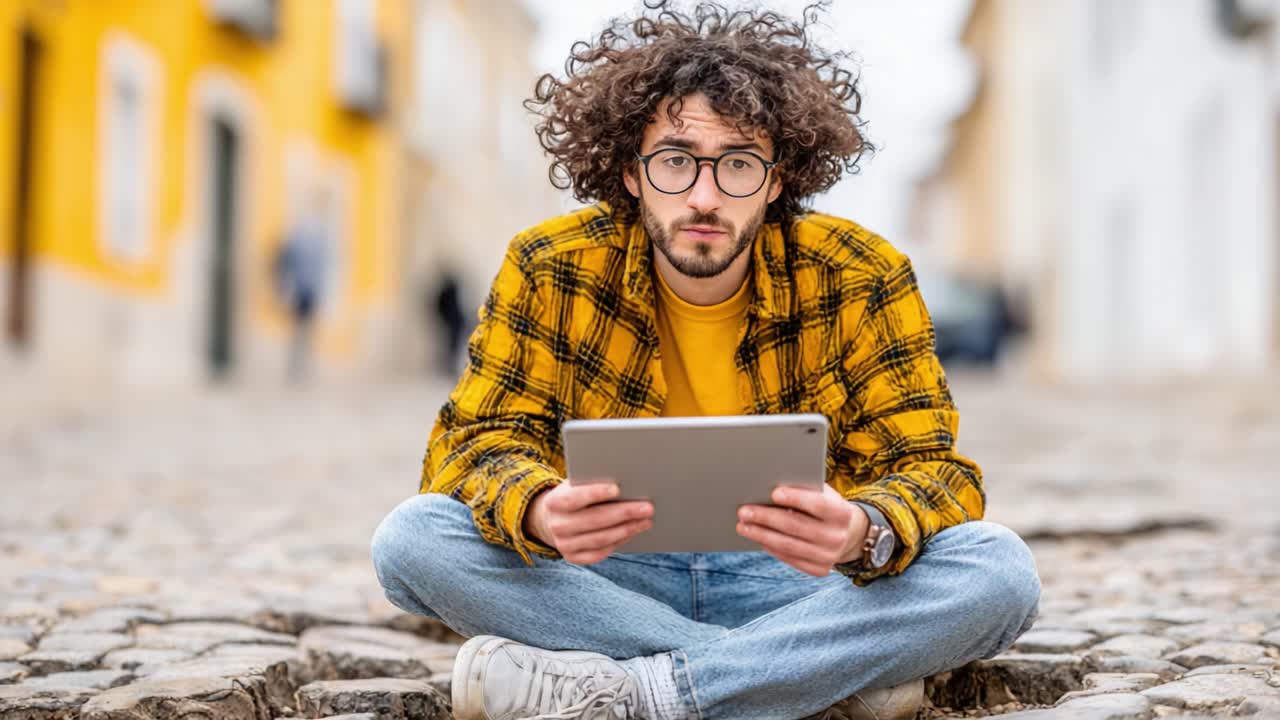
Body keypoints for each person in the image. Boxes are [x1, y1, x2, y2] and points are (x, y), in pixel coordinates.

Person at [371, 4, 1040, 719]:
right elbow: (473, 445)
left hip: (801, 581)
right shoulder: (549, 265)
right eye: (676, 160)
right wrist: (536, 508)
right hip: (604, 578)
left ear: (779, 180)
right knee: (413, 541)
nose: (704, 196)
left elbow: (933, 470)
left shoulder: (862, 273)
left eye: (739, 165)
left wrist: (862, 530)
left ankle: (646, 690)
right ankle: (814, 675)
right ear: (631, 171)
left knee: (996, 570)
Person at [274, 187, 330, 382]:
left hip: (306, 290)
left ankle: (300, 365)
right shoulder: (307, 239)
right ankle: (297, 365)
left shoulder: (310, 238)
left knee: (302, 330)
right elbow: (288, 263)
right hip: (302, 290)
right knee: (300, 329)